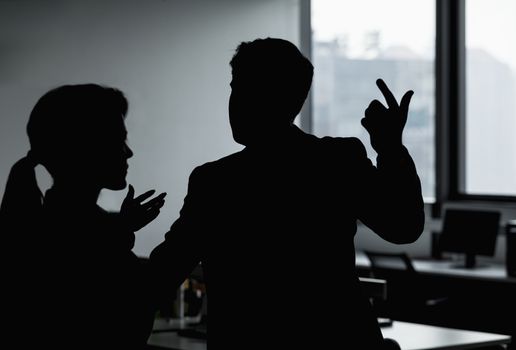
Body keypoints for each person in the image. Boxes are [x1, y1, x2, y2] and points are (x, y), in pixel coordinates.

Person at [149, 38, 424, 349]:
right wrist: (390, 148)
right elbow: (404, 226)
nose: (234, 101)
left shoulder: (215, 182)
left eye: (240, 88)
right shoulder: (337, 160)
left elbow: (162, 274)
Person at [0, 84, 166, 350]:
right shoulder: (75, 237)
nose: (128, 152)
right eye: (118, 140)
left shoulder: (43, 227)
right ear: (83, 148)